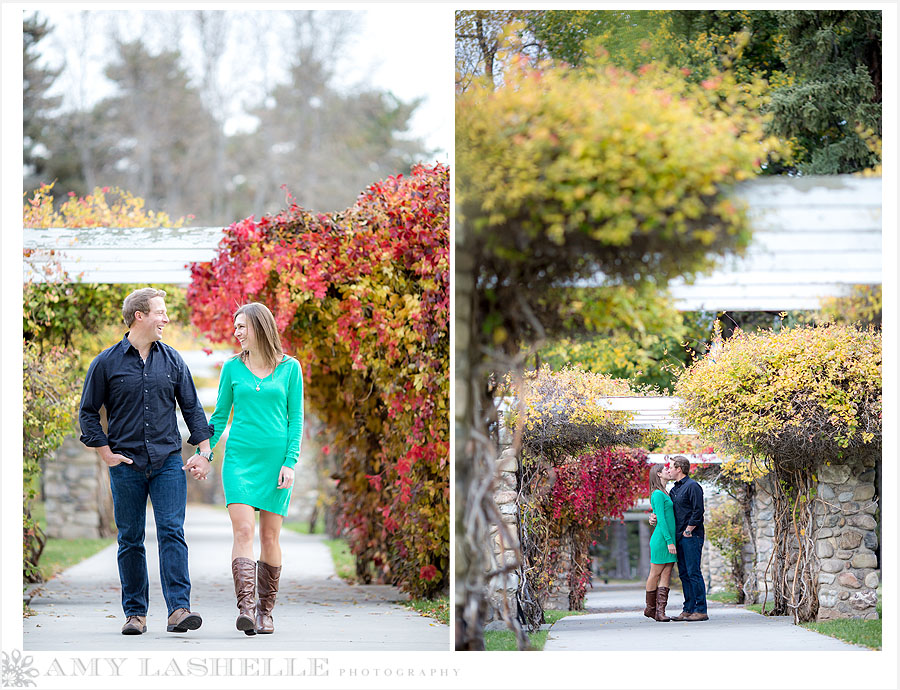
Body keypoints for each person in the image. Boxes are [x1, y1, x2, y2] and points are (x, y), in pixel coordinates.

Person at [79, 287, 213, 636]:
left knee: (172, 531)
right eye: (160, 312)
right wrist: (105, 452)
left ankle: (178, 611)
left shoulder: (172, 360)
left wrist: (204, 451)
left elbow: (192, 409)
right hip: (126, 464)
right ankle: (135, 614)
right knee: (131, 538)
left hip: (168, 461)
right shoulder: (105, 362)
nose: (166, 319)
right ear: (140, 315)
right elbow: (88, 413)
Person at [202, 302, 303, 635]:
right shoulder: (232, 368)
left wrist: (290, 462)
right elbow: (219, 418)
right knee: (244, 531)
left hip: (276, 463)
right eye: (235, 327)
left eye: (241, 326)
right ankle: (246, 609)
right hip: (239, 460)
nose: (236, 332)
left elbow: (295, 420)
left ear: (260, 327)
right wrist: (205, 453)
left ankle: (265, 612)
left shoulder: (290, 369)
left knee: (270, 536)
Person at [649, 456, 708, 621]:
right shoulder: (673, 490)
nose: (669, 470)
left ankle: (701, 609)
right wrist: (653, 517)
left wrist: (689, 530)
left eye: (672, 467)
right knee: (683, 573)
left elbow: (698, 511)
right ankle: (688, 609)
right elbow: (666, 513)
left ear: (679, 469)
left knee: (693, 572)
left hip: (691, 536)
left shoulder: (693, 486)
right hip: (678, 537)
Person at [644, 463, 677, 622]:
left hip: (670, 539)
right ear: (658, 474)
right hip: (662, 540)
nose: (668, 471)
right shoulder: (657, 494)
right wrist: (669, 541)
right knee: (655, 573)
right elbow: (662, 520)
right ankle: (650, 608)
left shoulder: (666, 493)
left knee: (666, 574)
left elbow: (659, 515)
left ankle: (661, 612)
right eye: (666, 470)